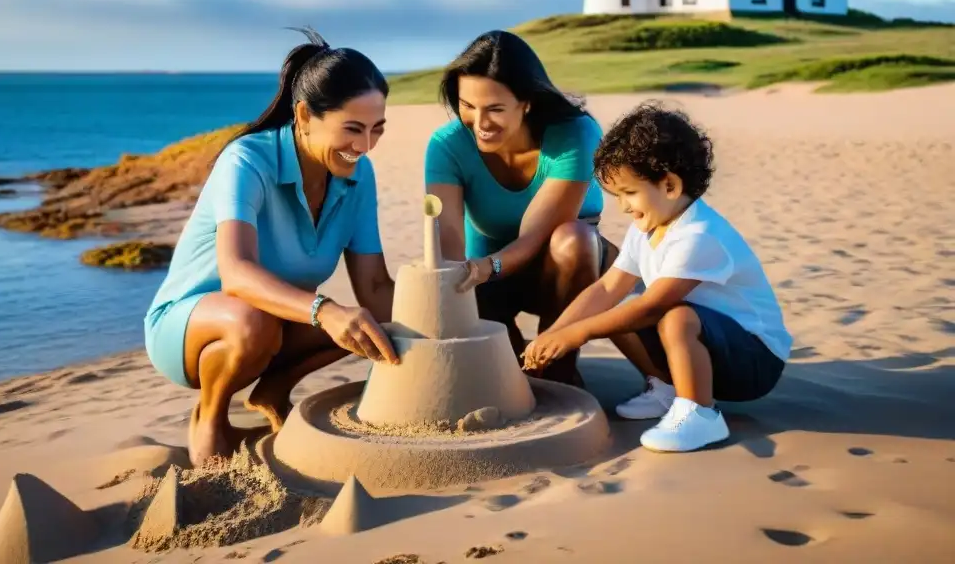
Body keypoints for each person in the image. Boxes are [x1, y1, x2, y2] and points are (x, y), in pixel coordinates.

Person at [144, 28, 400, 466]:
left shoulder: (360, 175)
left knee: (380, 323)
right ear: (303, 116)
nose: (365, 146)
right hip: (189, 328)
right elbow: (237, 274)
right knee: (254, 319)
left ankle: (274, 388)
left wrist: (440, 317)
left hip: (277, 323)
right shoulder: (247, 160)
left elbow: (375, 285)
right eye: (352, 129)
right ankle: (210, 418)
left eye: (377, 129)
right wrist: (325, 310)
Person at [522, 101, 792, 453]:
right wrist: (555, 333)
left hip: (753, 362)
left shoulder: (698, 235)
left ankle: (700, 414)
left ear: (669, 185)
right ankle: (669, 389)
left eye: (629, 193)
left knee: (672, 316)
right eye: (616, 196)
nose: (622, 207)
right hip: (705, 346)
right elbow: (607, 288)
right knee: (628, 303)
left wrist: (577, 334)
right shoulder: (648, 227)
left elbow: (654, 306)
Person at [424, 29, 618, 386]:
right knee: (512, 378)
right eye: (468, 106)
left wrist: (486, 265)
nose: (480, 124)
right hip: (488, 284)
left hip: (567, 277)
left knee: (573, 238)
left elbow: (533, 239)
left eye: (495, 109)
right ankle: (519, 368)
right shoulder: (447, 146)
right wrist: (459, 278)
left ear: (526, 101)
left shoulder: (575, 134)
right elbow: (448, 242)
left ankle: (560, 369)